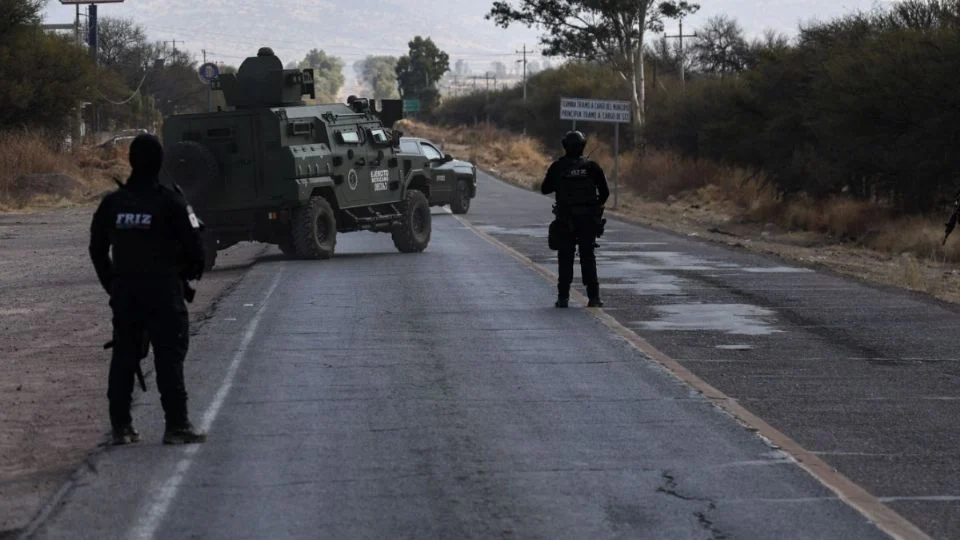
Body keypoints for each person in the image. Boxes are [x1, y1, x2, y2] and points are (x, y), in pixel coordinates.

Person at [89, 134, 208, 445]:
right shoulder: (172, 202)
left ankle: (121, 427)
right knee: (168, 358)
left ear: (131, 161)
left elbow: (97, 249)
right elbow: (197, 251)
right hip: (164, 292)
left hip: (126, 293)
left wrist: (112, 284)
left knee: (125, 356)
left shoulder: (113, 204)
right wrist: (187, 274)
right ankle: (177, 426)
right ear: (160, 164)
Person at [541, 130, 610, 309]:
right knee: (588, 257)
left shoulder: (558, 167)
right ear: (582, 146)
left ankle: (563, 298)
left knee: (565, 258)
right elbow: (605, 192)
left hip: (565, 220)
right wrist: (596, 209)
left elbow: (544, 189)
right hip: (588, 220)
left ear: (565, 146)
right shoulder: (592, 167)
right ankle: (594, 297)